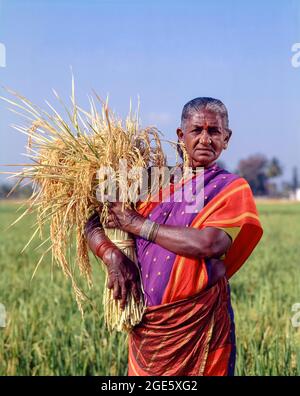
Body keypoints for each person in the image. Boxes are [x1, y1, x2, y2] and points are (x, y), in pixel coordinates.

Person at [85, 97, 263, 376]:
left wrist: (138, 224)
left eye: (214, 131)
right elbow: (89, 219)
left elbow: (211, 243)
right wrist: (110, 254)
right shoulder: (149, 182)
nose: (205, 139)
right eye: (197, 130)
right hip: (149, 327)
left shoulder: (230, 188)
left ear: (226, 139)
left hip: (200, 324)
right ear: (181, 135)